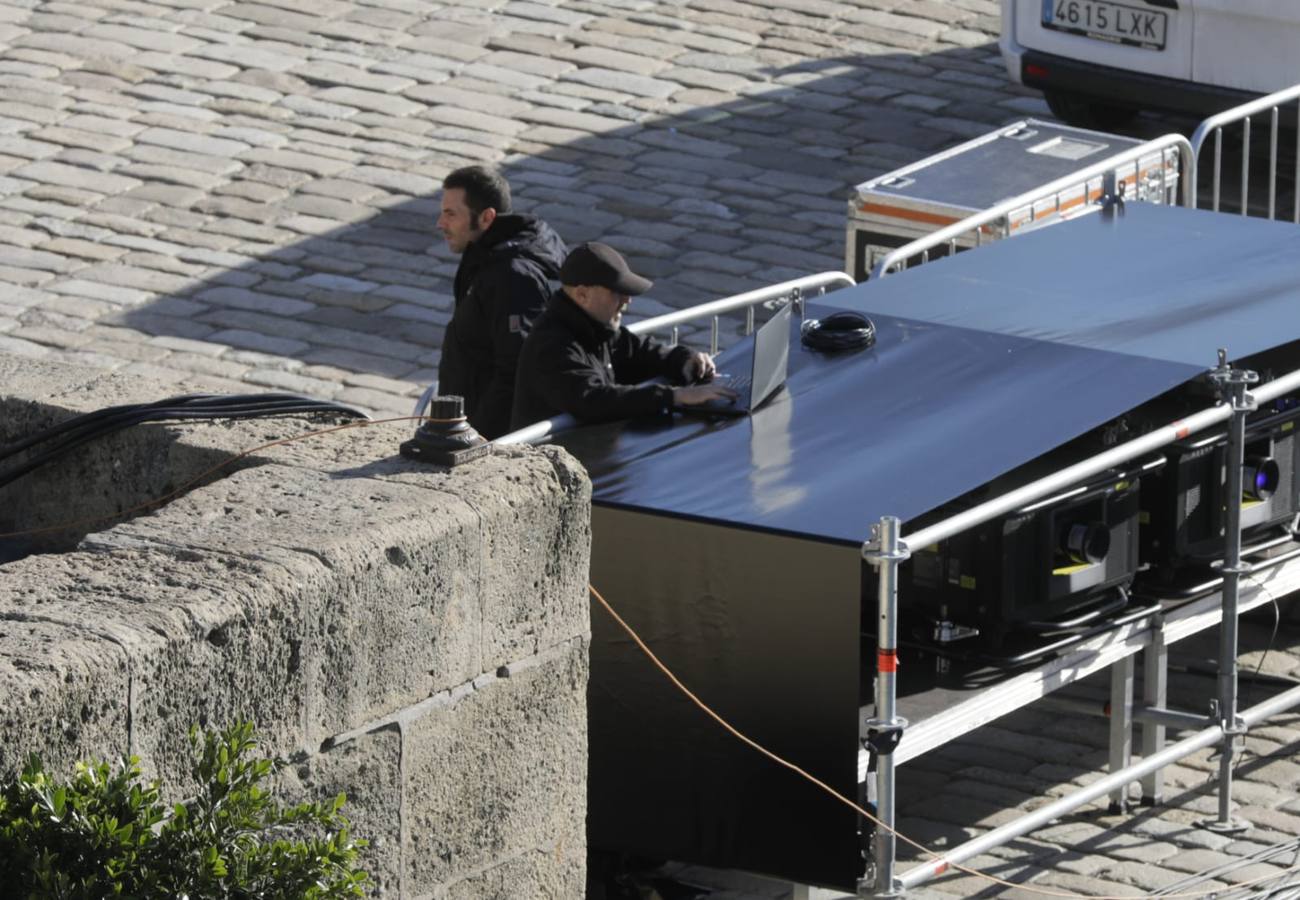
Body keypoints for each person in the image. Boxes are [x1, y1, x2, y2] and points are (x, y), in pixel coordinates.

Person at [511, 242, 736, 430]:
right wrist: (677, 397)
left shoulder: (596, 326)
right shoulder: (552, 345)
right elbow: (593, 399)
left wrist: (684, 360)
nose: (627, 300)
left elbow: (639, 351)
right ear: (582, 295)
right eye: (616, 292)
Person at [436, 165, 567, 439]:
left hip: (484, 438)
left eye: (451, 214)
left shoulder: (512, 277)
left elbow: (516, 371)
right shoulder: (484, 255)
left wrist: (475, 438)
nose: (441, 223)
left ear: (486, 217)